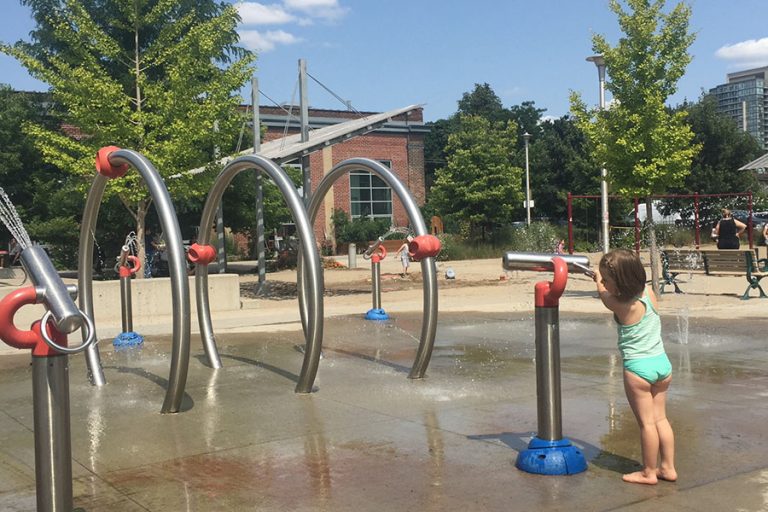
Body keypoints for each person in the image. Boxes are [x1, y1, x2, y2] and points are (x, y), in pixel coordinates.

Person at [594, 249, 677, 485]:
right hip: (662, 365)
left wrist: (597, 282)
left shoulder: (621, 305)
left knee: (647, 423)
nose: (605, 284)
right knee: (661, 419)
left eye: (608, 279)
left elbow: (603, 296)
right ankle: (668, 468)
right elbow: (612, 289)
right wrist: (603, 278)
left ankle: (648, 472)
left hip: (638, 370)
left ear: (618, 282)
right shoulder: (648, 293)